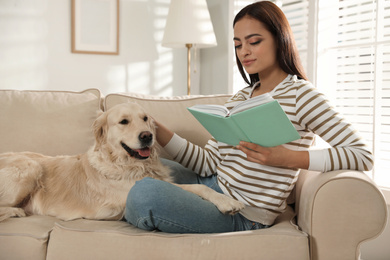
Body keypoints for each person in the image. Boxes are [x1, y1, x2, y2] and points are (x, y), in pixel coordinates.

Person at [124, 1, 373, 233]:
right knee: (135, 168)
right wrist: (155, 128)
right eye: (238, 44)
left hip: (243, 213)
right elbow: (208, 163)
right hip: (212, 185)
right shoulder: (241, 97)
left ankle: (118, 205)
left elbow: (362, 154)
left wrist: (287, 158)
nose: (245, 52)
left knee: (145, 192)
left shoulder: (301, 95)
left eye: (254, 41)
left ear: (280, 39)